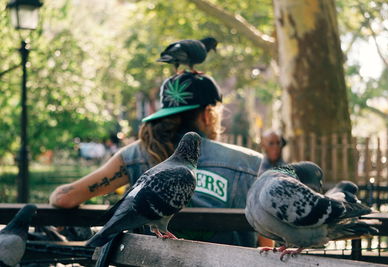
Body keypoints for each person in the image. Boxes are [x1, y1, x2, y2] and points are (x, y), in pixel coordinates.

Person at [49, 71, 263, 247]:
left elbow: (63, 199)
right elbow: (265, 241)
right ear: (207, 114)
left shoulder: (135, 154)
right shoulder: (251, 163)